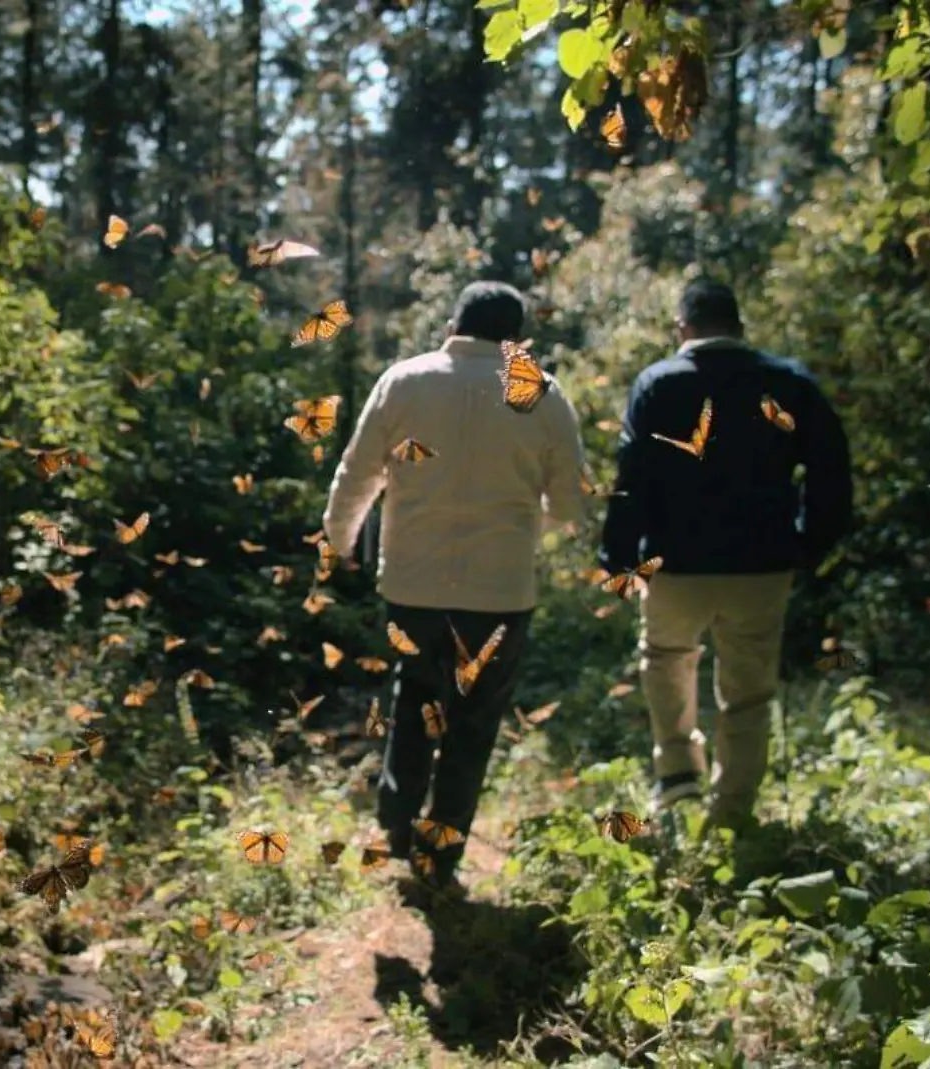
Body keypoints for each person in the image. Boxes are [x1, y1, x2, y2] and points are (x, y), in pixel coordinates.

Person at [324, 281, 588, 890]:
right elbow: (572, 506)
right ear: (516, 341)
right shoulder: (544, 396)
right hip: (500, 594)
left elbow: (357, 472)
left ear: (452, 324)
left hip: (413, 589)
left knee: (416, 707)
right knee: (472, 726)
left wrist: (339, 543)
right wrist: (522, 528)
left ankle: (396, 828)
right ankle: (441, 856)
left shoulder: (405, 381)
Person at [599, 279, 853, 829]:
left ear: (681, 327)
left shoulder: (657, 384)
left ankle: (678, 780)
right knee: (749, 693)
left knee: (666, 661)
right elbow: (832, 470)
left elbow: (632, 480)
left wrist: (618, 558)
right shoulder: (788, 383)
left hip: (673, 565)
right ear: (739, 326)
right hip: (762, 561)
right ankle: (732, 811)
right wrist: (809, 542)